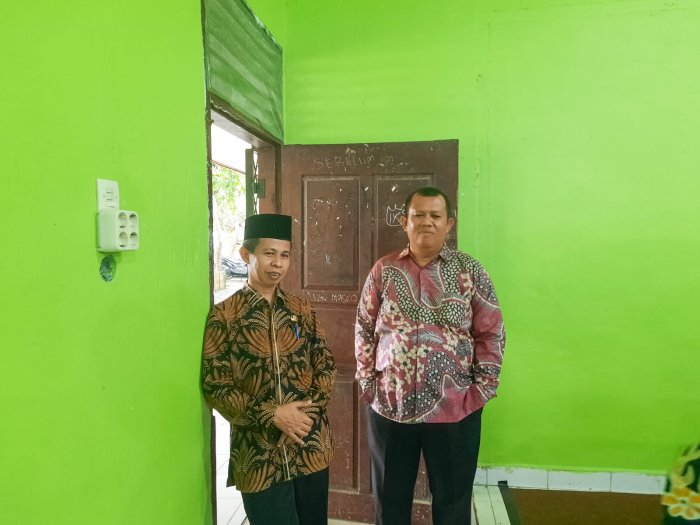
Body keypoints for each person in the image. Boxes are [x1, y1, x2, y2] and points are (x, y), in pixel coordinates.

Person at [355, 187, 505, 525]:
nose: (427, 222)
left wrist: (481, 390)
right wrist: (368, 383)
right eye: (418, 215)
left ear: (449, 223)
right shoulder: (384, 270)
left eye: (435, 215)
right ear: (404, 222)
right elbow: (363, 326)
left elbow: (492, 331)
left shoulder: (470, 272)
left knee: (452, 506)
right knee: (390, 503)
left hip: (455, 409)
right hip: (390, 408)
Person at [202, 214, 336, 525]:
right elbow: (216, 385)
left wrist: (302, 418)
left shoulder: (302, 310)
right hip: (258, 456)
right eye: (269, 254)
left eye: (285, 255)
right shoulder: (225, 316)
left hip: (309, 446)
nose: (277, 264)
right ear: (245, 254)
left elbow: (325, 366)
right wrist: (273, 415)